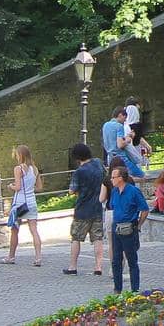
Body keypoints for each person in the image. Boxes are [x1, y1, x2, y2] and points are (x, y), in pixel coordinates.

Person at [105, 165, 149, 294]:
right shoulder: (114, 191)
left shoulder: (133, 191)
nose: (111, 179)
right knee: (116, 260)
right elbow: (113, 206)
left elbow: (145, 210)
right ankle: (117, 288)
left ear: (121, 178)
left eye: (114, 177)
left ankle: (135, 289)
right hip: (116, 227)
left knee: (132, 260)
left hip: (129, 227)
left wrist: (138, 225)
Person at [64, 143, 105, 277]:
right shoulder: (98, 164)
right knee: (97, 238)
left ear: (77, 157)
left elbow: (72, 190)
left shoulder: (79, 172)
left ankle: (73, 266)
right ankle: (98, 266)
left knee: (76, 237)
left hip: (82, 209)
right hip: (97, 207)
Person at [2, 144, 43, 267]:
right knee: (34, 230)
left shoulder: (18, 168)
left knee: (15, 230)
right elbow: (39, 187)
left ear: (20, 155)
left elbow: (18, 187)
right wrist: (30, 187)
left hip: (19, 203)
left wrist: (10, 186)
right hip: (31, 202)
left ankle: (11, 256)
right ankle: (38, 257)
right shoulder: (34, 169)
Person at [101, 106, 145, 177]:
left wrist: (126, 136)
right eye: (124, 118)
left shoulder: (105, 125)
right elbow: (120, 145)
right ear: (120, 115)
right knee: (141, 175)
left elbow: (112, 140)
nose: (124, 121)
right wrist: (128, 139)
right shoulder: (119, 126)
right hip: (121, 158)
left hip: (111, 158)